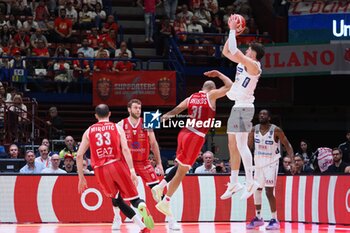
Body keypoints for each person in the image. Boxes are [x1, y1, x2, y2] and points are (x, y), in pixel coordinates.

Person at [152, 70, 233, 219]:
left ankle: (160, 186)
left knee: (180, 167)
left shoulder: (191, 98)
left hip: (183, 134)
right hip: (196, 136)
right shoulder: (211, 95)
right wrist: (219, 74)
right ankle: (166, 201)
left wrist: (152, 123)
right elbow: (229, 86)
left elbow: (173, 112)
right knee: (183, 171)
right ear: (212, 89)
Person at [76, 104, 154, 232]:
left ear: (96, 116)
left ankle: (142, 226)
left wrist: (81, 177)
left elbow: (79, 156)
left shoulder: (89, 130)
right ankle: (141, 205)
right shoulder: (117, 127)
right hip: (117, 165)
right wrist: (132, 171)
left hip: (100, 169)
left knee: (117, 199)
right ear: (109, 114)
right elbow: (125, 149)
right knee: (133, 198)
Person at [220, 14, 265, 200]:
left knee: (241, 145)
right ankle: (235, 182)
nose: (246, 50)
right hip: (238, 106)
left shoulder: (254, 66)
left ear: (253, 53)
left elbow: (234, 50)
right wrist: (231, 33)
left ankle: (250, 180)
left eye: (248, 49)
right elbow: (226, 51)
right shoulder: (243, 62)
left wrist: (232, 30)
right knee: (234, 144)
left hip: (245, 107)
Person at [115, 99, 171, 228]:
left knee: (158, 190)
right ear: (129, 109)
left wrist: (159, 164)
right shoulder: (120, 124)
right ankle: (116, 217)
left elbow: (153, 143)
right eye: (135, 108)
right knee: (117, 192)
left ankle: (171, 219)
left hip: (143, 162)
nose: (138, 110)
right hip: (126, 163)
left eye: (139, 108)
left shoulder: (148, 120)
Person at [246, 109, 294, 230]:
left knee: (268, 191)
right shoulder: (254, 129)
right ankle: (258, 218)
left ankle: (274, 219)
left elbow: (287, 145)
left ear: (269, 118)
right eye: (260, 114)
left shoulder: (276, 130)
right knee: (256, 190)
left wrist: (292, 161)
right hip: (258, 163)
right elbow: (248, 147)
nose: (262, 116)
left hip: (271, 163)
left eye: (264, 114)